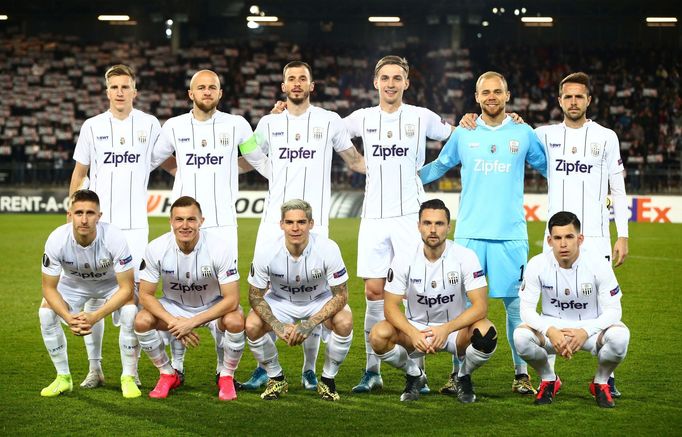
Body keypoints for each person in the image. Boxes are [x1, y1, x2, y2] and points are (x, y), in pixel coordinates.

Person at [239, 61, 364, 391]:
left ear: (312, 86)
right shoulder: (268, 122)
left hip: (316, 221)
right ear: (283, 86)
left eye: (302, 79)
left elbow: (353, 160)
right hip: (272, 221)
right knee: (264, 293)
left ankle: (309, 369)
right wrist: (265, 164)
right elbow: (245, 156)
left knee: (317, 293)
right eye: (291, 79)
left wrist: (393, 167)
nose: (296, 83)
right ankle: (264, 368)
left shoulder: (329, 121)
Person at [420, 71, 547, 395]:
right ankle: (458, 372)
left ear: (507, 96)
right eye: (485, 92)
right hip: (470, 237)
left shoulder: (523, 131)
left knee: (516, 308)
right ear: (477, 98)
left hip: (511, 236)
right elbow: (439, 166)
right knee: (461, 309)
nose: (491, 97)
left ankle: (521, 374)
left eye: (497, 92)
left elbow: (550, 168)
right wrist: (402, 179)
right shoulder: (465, 133)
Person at [343, 56, 454, 393]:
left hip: (410, 216)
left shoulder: (421, 117)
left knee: (413, 292)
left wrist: (434, 169)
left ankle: (415, 373)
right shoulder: (361, 118)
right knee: (374, 292)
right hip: (374, 216)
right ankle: (372, 370)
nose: (391, 83)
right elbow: (325, 133)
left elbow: (459, 137)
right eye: (385, 78)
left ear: (406, 83)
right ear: (375, 82)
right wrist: (358, 163)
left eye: (397, 78)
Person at [151, 69, 262, 381]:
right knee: (177, 291)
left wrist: (232, 167)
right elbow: (156, 158)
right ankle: (177, 365)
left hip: (223, 223)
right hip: (184, 222)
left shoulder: (237, 124)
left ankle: (221, 369)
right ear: (191, 94)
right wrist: (180, 173)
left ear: (220, 93)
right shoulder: (173, 126)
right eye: (201, 87)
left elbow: (256, 158)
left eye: (212, 87)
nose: (207, 91)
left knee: (221, 299)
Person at [68, 64, 163, 389]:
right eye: (114, 87)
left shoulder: (150, 125)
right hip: (99, 225)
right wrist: (73, 208)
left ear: (135, 91)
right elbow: (80, 172)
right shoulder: (92, 126)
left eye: (126, 86)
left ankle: (130, 373)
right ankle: (95, 369)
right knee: (95, 300)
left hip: (136, 228)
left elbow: (171, 160)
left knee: (129, 303)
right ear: (106, 91)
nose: (120, 92)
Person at [535, 72, 629, 396]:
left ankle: (605, 377)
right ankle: (549, 376)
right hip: (557, 236)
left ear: (589, 100)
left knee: (602, 307)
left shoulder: (606, 136)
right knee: (551, 303)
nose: (573, 102)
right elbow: (512, 138)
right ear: (559, 100)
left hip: (597, 237)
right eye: (568, 97)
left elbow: (617, 187)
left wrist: (623, 234)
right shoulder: (543, 135)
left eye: (579, 97)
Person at [370, 199, 496, 403]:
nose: (433, 230)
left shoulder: (465, 256)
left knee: (486, 333)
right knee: (378, 335)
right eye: (427, 223)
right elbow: (390, 307)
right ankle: (414, 375)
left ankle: (462, 377)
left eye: (439, 224)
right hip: (416, 330)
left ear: (449, 227)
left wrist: (446, 329)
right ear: (419, 226)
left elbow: (481, 306)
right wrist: (412, 332)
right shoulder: (403, 258)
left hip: (455, 330)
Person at [513, 211, 630, 408]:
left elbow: (614, 310)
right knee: (520, 338)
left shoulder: (598, 264)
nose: (563, 244)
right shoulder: (537, 264)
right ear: (549, 241)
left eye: (569, 237)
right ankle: (549, 380)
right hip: (553, 327)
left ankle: (600, 382)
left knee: (620, 337)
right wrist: (549, 330)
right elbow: (526, 310)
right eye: (557, 238)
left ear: (580, 239)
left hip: (590, 328)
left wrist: (586, 332)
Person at [134, 196, 244, 400]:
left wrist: (191, 323)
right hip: (175, 306)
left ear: (201, 221)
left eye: (191, 220)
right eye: (179, 220)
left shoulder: (220, 248)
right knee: (141, 320)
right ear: (171, 221)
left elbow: (232, 299)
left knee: (236, 320)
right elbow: (145, 295)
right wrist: (174, 322)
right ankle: (167, 373)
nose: (185, 226)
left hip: (212, 305)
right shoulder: (156, 248)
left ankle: (226, 376)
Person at [245, 199, 353, 401]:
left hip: (319, 299)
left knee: (344, 321)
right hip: (280, 300)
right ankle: (276, 377)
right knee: (252, 325)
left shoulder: (328, 248)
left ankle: (328, 381)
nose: (295, 228)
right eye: (290, 222)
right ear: (281, 224)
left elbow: (341, 295)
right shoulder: (265, 251)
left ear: (311, 224)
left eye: (301, 222)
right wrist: (277, 325)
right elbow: (254, 295)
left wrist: (310, 323)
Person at [39, 189, 140, 398]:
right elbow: (48, 288)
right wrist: (68, 317)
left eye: (90, 213)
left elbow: (127, 288)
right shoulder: (57, 239)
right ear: (70, 215)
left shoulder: (114, 237)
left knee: (131, 310)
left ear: (99, 216)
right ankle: (63, 378)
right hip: (74, 283)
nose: (84, 219)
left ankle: (128, 377)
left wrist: (94, 316)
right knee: (46, 313)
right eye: (78, 213)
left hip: (110, 284)